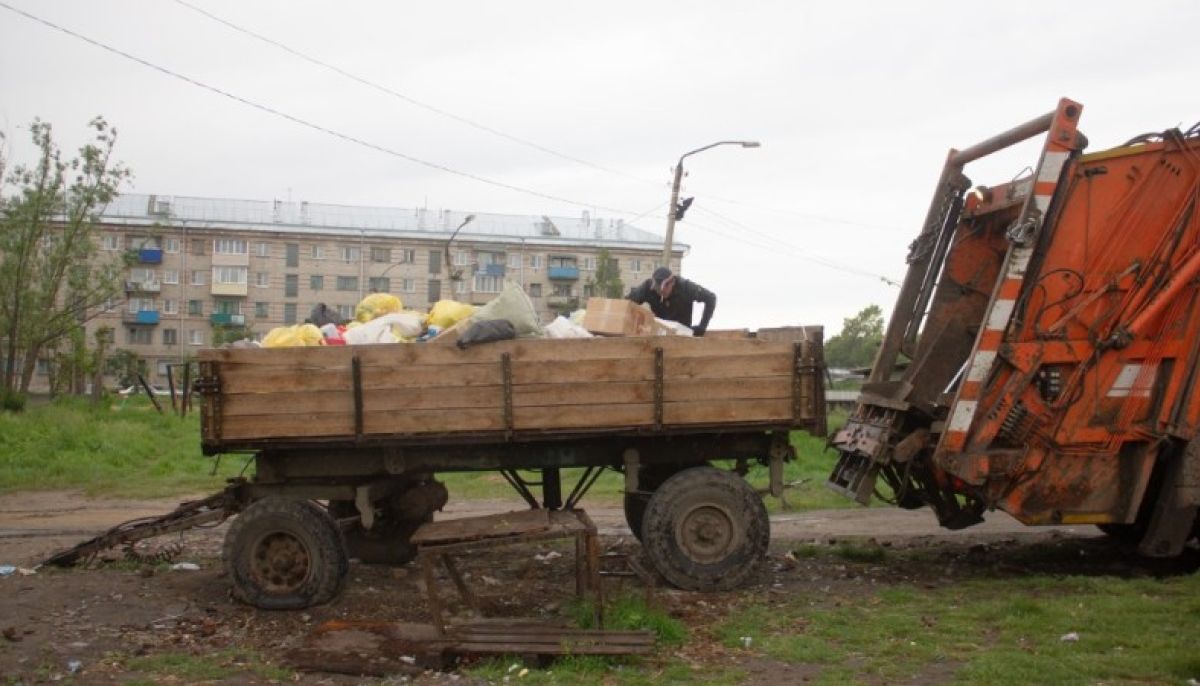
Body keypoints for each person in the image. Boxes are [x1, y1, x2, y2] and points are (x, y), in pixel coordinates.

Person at [627, 267, 716, 336]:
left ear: (672, 282)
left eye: (664, 289)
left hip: (681, 335)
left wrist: (702, 326)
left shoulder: (686, 288)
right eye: (658, 290)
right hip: (660, 333)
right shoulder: (648, 288)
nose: (661, 292)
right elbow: (627, 303)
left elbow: (711, 298)